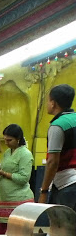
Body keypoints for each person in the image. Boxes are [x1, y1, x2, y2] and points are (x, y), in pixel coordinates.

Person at [38, 84, 76, 212]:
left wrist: (44, 191)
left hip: (66, 184)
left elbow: (53, 162)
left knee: (63, 223)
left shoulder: (58, 125)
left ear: (53, 103)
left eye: (48, 100)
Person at [0, 124, 34, 234]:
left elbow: (24, 178)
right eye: (5, 140)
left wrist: (4, 173)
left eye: (9, 140)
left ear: (18, 139)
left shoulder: (25, 154)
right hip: (4, 199)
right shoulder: (8, 152)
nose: (6, 143)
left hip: (18, 200)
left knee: (16, 233)